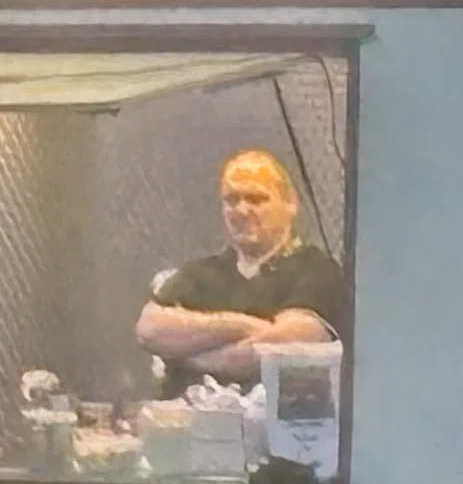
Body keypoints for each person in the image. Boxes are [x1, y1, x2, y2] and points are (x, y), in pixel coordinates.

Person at [133, 148, 351, 388]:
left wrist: (187, 356)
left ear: (291, 204)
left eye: (256, 199)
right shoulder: (202, 272)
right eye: (231, 199)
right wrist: (242, 326)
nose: (241, 210)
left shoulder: (316, 270)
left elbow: (283, 346)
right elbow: (150, 329)